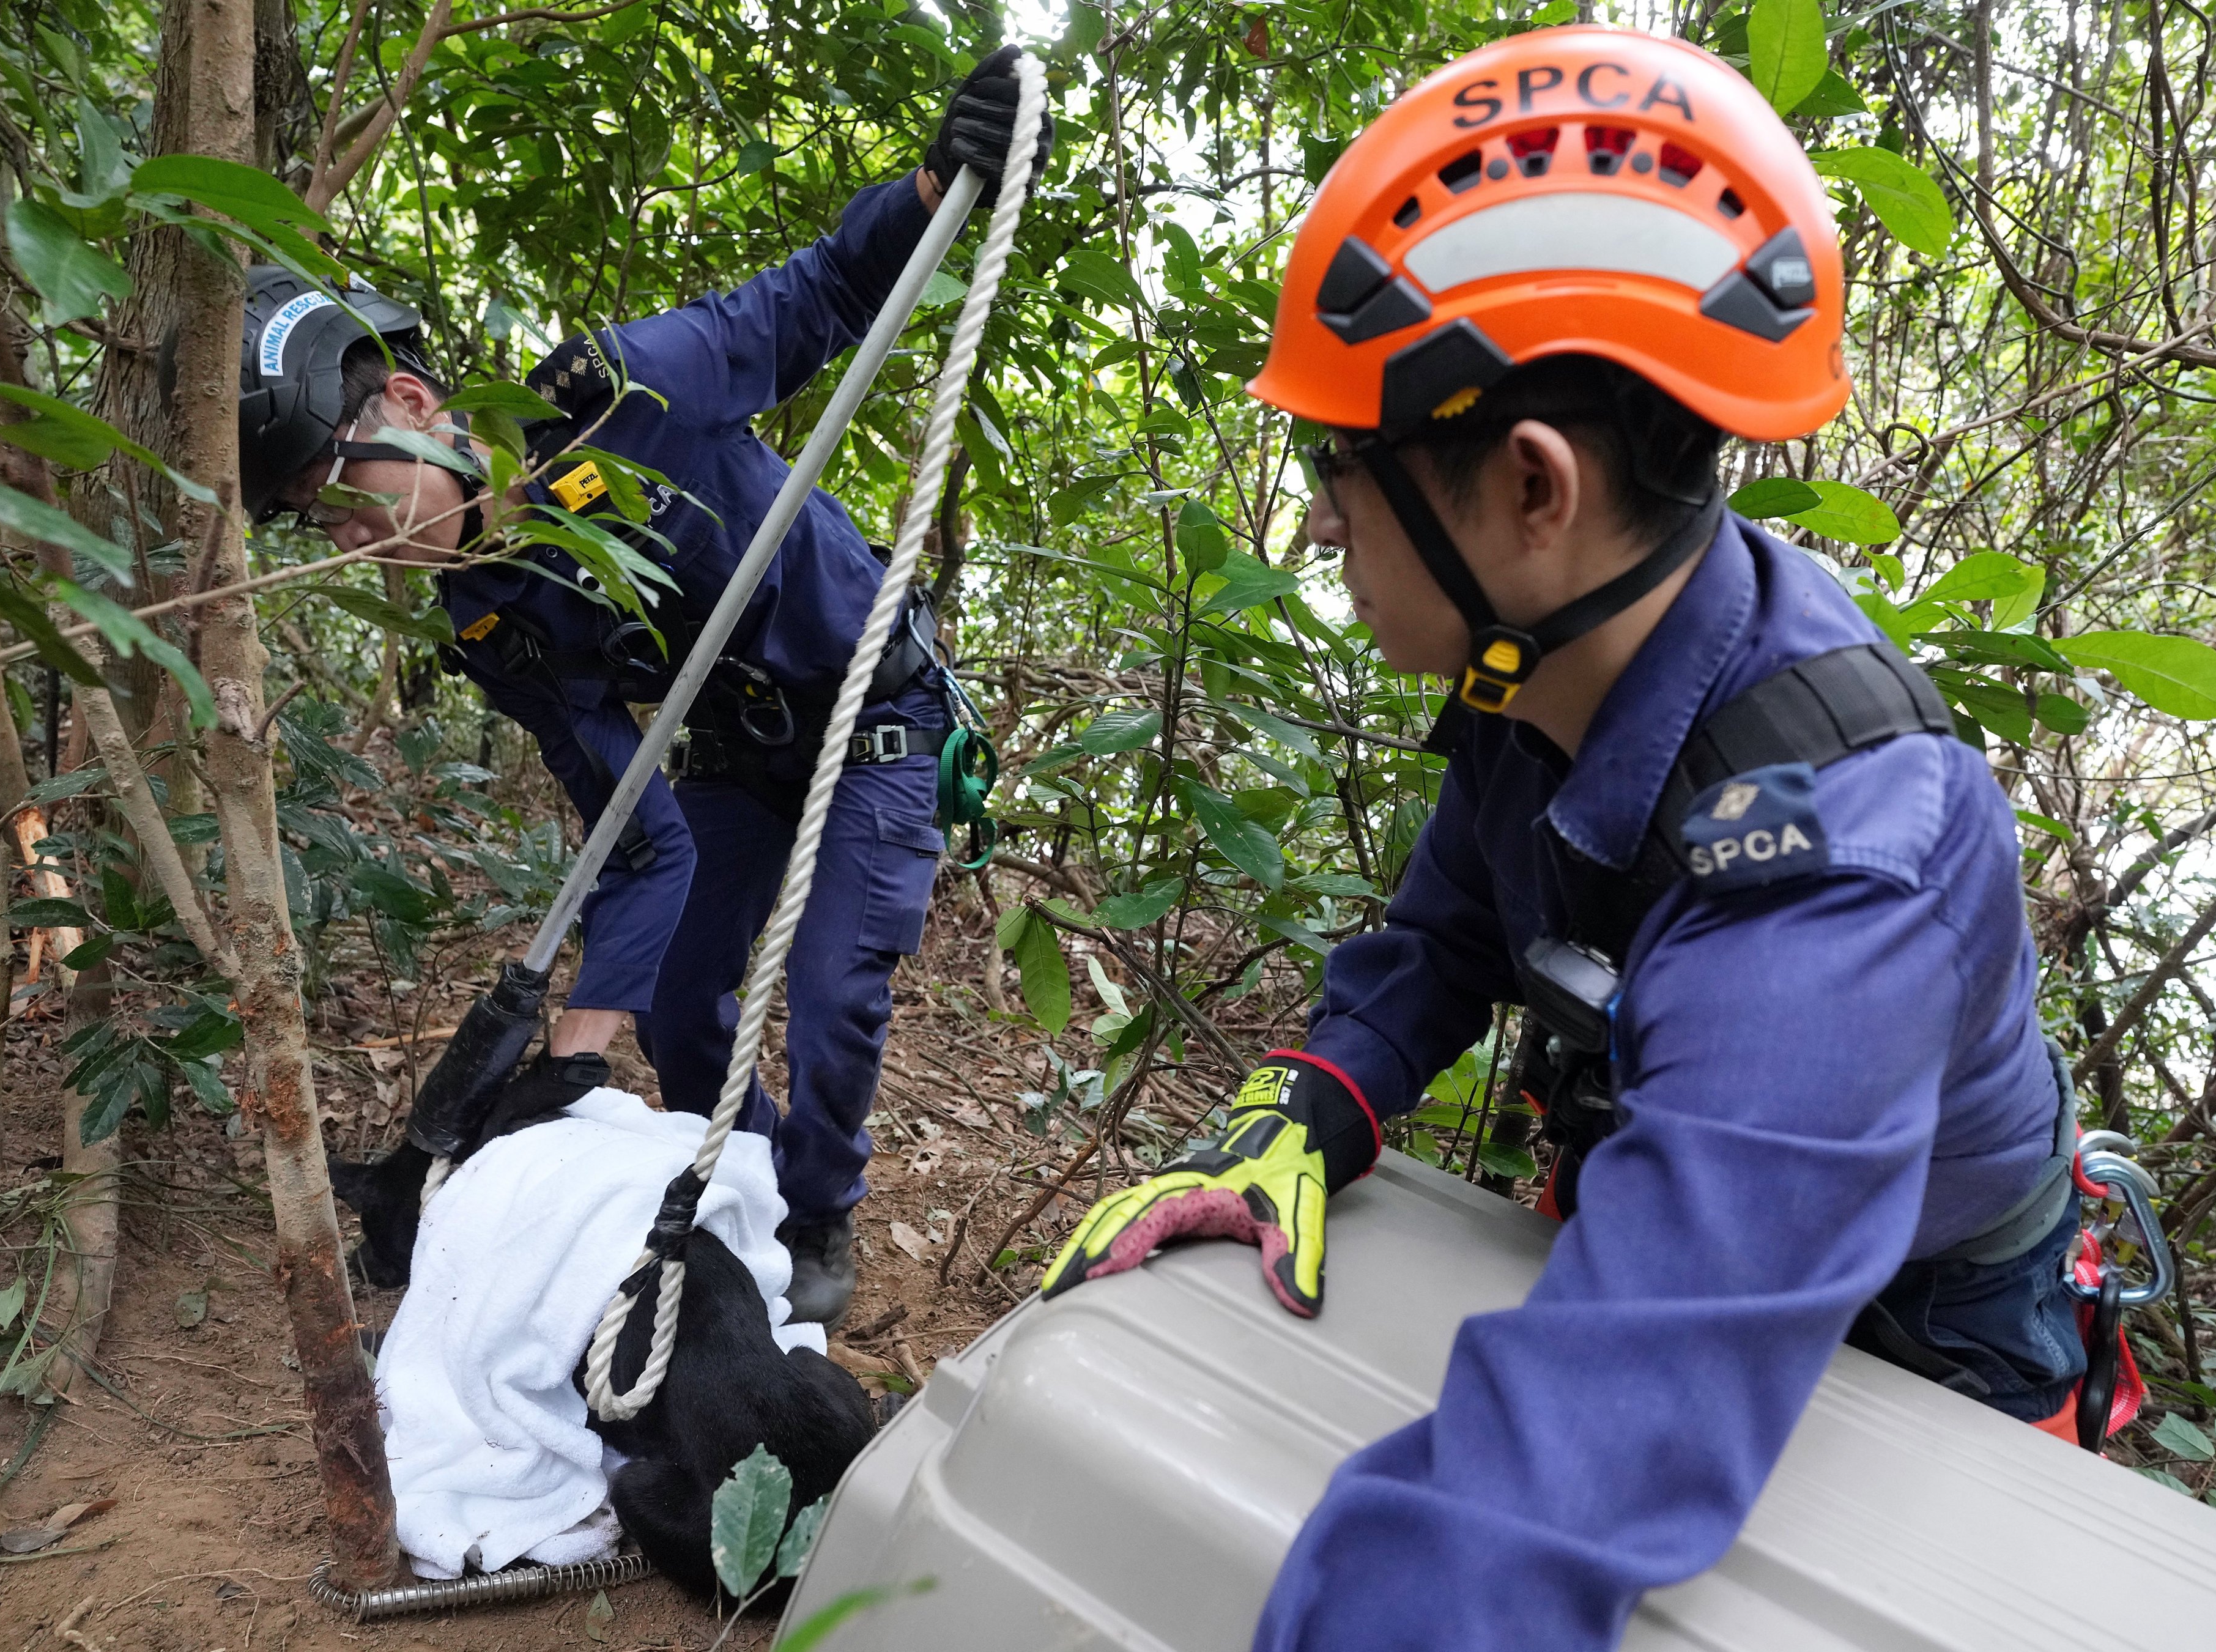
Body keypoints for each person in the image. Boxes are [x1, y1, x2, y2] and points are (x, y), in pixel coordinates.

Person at [1040, 26, 2094, 1648]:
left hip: (1935, 1313)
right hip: (1690, 1198)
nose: (1319, 521)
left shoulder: (1835, 878)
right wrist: (1316, 1093)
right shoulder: (1546, 658)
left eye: (1341, 467)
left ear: (1530, 487)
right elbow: (1451, 924)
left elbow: (1551, 1478)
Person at [241, 49, 1051, 1325]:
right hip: (731, 756)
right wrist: (569, 1056)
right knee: (678, 1004)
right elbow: (635, 842)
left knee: (835, 984)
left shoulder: (616, 394)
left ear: (411, 403)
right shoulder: (487, 616)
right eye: (313, 525)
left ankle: (821, 1207)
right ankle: (754, 1180)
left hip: (873, 720)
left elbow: (824, 293)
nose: (352, 538)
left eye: (345, 493)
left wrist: (935, 179)